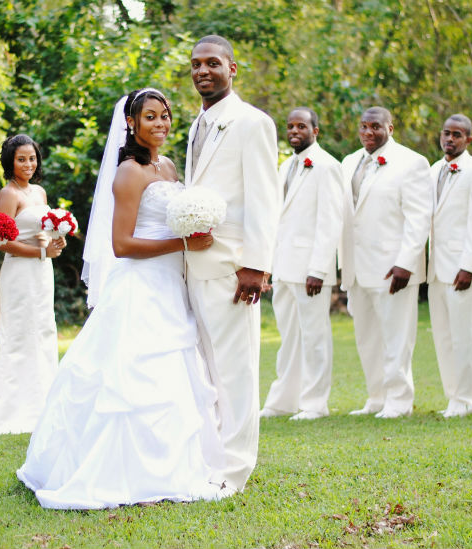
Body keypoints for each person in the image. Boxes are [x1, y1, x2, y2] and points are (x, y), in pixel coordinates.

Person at [17, 88, 228, 509]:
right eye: (151, 116)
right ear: (131, 123)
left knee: (176, 373)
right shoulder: (129, 172)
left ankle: (178, 464)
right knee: (132, 377)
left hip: (173, 286)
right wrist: (182, 245)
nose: (161, 123)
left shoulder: (167, 166)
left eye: (165, 115)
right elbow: (122, 244)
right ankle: (126, 472)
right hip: (141, 286)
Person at [184, 35, 279, 492]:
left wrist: (256, 265)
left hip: (232, 269)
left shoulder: (252, 123)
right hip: (193, 267)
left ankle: (235, 470)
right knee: (208, 370)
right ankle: (211, 459)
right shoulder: (195, 125)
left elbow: (264, 198)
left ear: (233, 68)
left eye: (213, 63)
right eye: (196, 64)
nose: (203, 71)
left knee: (236, 371)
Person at [339, 107, 431, 419]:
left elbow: (418, 218)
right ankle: (377, 397)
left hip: (393, 267)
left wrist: (406, 262)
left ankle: (399, 400)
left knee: (396, 338)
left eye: (375, 127)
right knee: (367, 338)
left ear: (390, 128)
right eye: (363, 126)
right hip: (357, 266)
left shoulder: (412, 163)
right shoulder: (349, 162)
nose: (368, 132)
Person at [261, 107, 343, 421]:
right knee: (289, 337)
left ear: (315, 130)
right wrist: (268, 266)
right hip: (283, 267)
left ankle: (314, 403)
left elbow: (329, 221)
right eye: (290, 126)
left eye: (302, 126)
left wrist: (318, 270)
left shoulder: (327, 166)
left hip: (310, 270)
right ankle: (282, 400)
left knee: (315, 337)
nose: (295, 131)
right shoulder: (285, 167)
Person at [0, 135, 66, 435]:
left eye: (32, 158)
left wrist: (53, 241)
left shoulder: (40, 192)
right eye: (21, 159)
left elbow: (38, 231)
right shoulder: (8, 194)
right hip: (20, 271)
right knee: (19, 333)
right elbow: (2, 241)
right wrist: (40, 251)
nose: (28, 164)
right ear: (10, 161)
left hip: (42, 272)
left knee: (43, 329)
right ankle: (12, 409)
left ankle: (44, 402)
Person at [427, 115, 472, 418]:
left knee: (464, 337)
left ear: (469, 139)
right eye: (446, 133)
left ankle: (469, 399)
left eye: (457, 135)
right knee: (443, 336)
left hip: (461, 269)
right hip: (435, 270)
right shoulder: (432, 171)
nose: (450, 139)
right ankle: (453, 397)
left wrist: (469, 266)